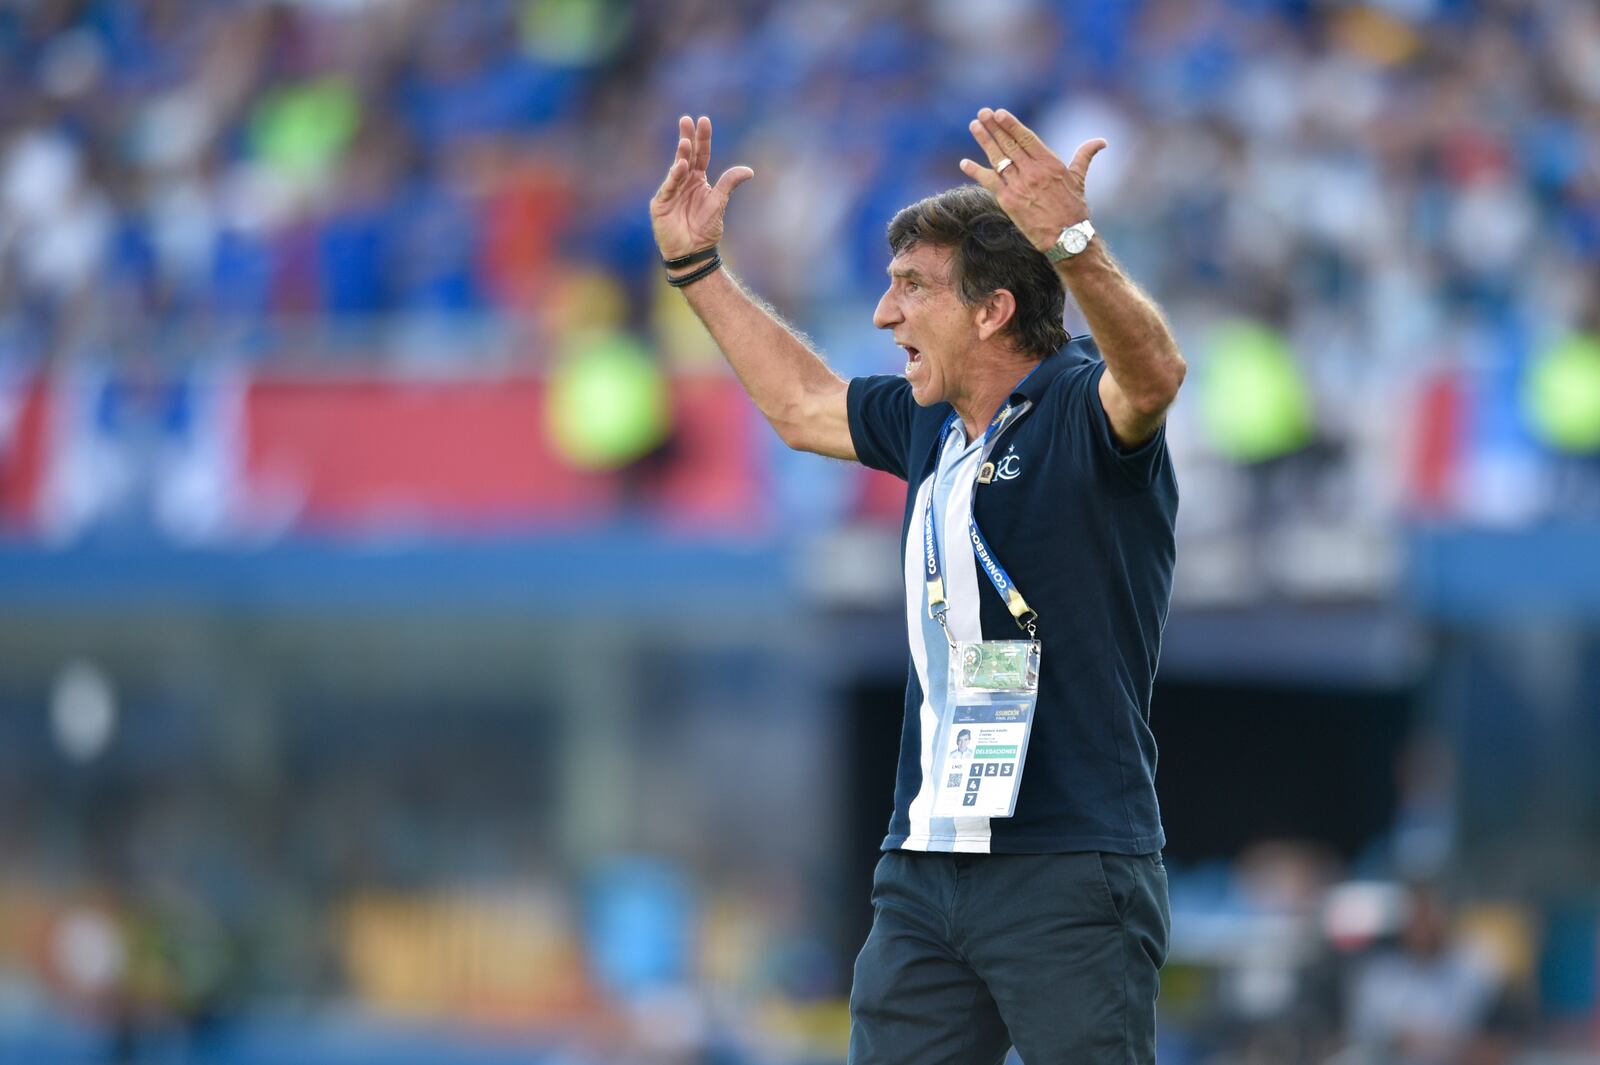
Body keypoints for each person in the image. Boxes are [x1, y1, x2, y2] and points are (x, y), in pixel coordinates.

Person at [650, 109, 1184, 1065]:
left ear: (993, 311)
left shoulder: (1074, 406)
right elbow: (805, 404)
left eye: (910, 289)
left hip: (1066, 860)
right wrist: (697, 272)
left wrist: (1073, 242)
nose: (883, 315)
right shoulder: (930, 422)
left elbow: (1152, 378)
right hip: (926, 862)